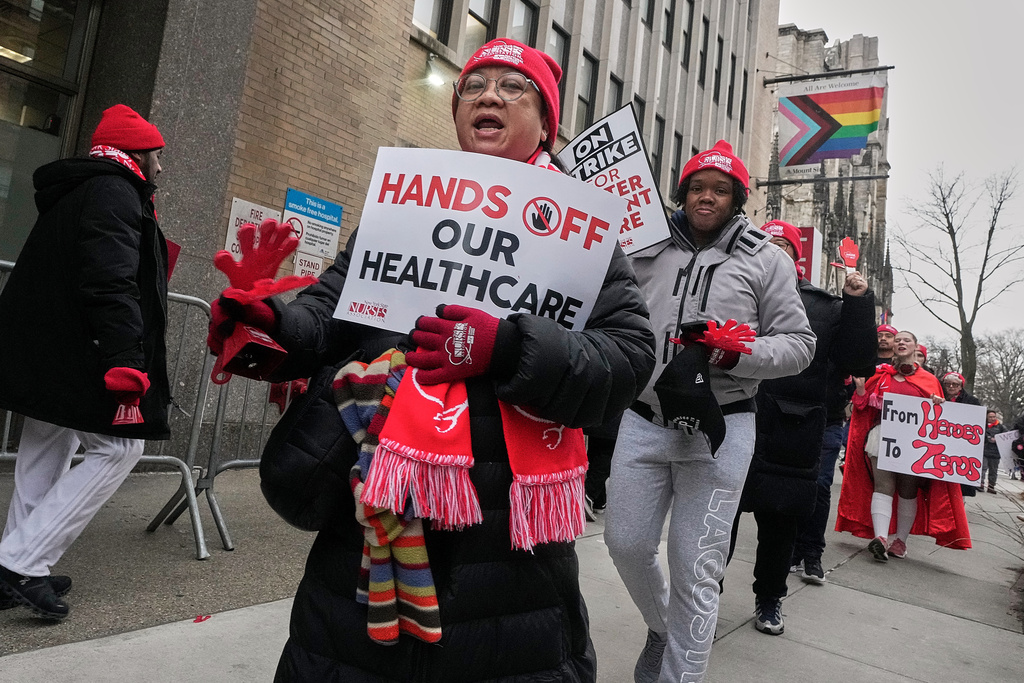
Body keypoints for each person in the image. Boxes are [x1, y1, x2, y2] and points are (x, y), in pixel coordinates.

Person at [208, 38, 656, 681]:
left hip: (507, 533)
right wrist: (269, 319)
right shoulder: (411, 201)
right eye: (475, 86)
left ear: (546, 121)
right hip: (375, 499)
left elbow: (628, 355)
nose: (490, 96)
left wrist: (505, 347)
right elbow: (329, 312)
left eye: (513, 87)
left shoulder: (580, 225)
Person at [603, 142, 815, 682]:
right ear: (683, 192)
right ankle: (662, 626)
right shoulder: (641, 245)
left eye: (720, 190)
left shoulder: (767, 258)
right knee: (624, 543)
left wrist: (739, 354)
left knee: (697, 569)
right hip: (643, 419)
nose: (707, 197)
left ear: (737, 199)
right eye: (698, 187)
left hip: (723, 429)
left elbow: (799, 344)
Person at [0, 104, 169, 620]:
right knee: (120, 446)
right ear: (135, 153)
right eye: (156, 156)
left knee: (45, 451)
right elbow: (109, 281)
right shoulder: (114, 192)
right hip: (81, 352)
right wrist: (126, 358)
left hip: (48, 349)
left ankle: (21, 564)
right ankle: (18, 560)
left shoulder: (83, 189)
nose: (160, 167)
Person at [728, 220, 875, 637]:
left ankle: (770, 599)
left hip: (792, 431)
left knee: (780, 524)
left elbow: (857, 361)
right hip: (732, 420)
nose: (771, 252)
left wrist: (859, 304)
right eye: (764, 244)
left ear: (797, 257)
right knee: (717, 520)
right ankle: (704, 593)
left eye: (782, 247)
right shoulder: (733, 288)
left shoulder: (825, 306)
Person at [836, 330, 971, 562]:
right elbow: (860, 407)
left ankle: (900, 541)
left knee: (908, 490)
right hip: (882, 437)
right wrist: (860, 390)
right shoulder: (880, 375)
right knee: (883, 486)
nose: (900, 343)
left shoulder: (929, 380)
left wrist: (938, 403)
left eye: (906, 340)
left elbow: (938, 419)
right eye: (898, 340)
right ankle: (880, 537)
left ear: (915, 346)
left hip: (914, 442)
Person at [981, 410, 1006, 494]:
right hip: (984, 451)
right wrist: (988, 438)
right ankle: (980, 484)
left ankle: (991, 486)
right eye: (990, 417)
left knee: (993, 471)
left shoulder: (1001, 427)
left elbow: (1006, 436)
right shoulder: (983, 425)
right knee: (982, 468)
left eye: (994, 417)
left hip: (995, 452)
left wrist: (998, 439)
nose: (992, 419)